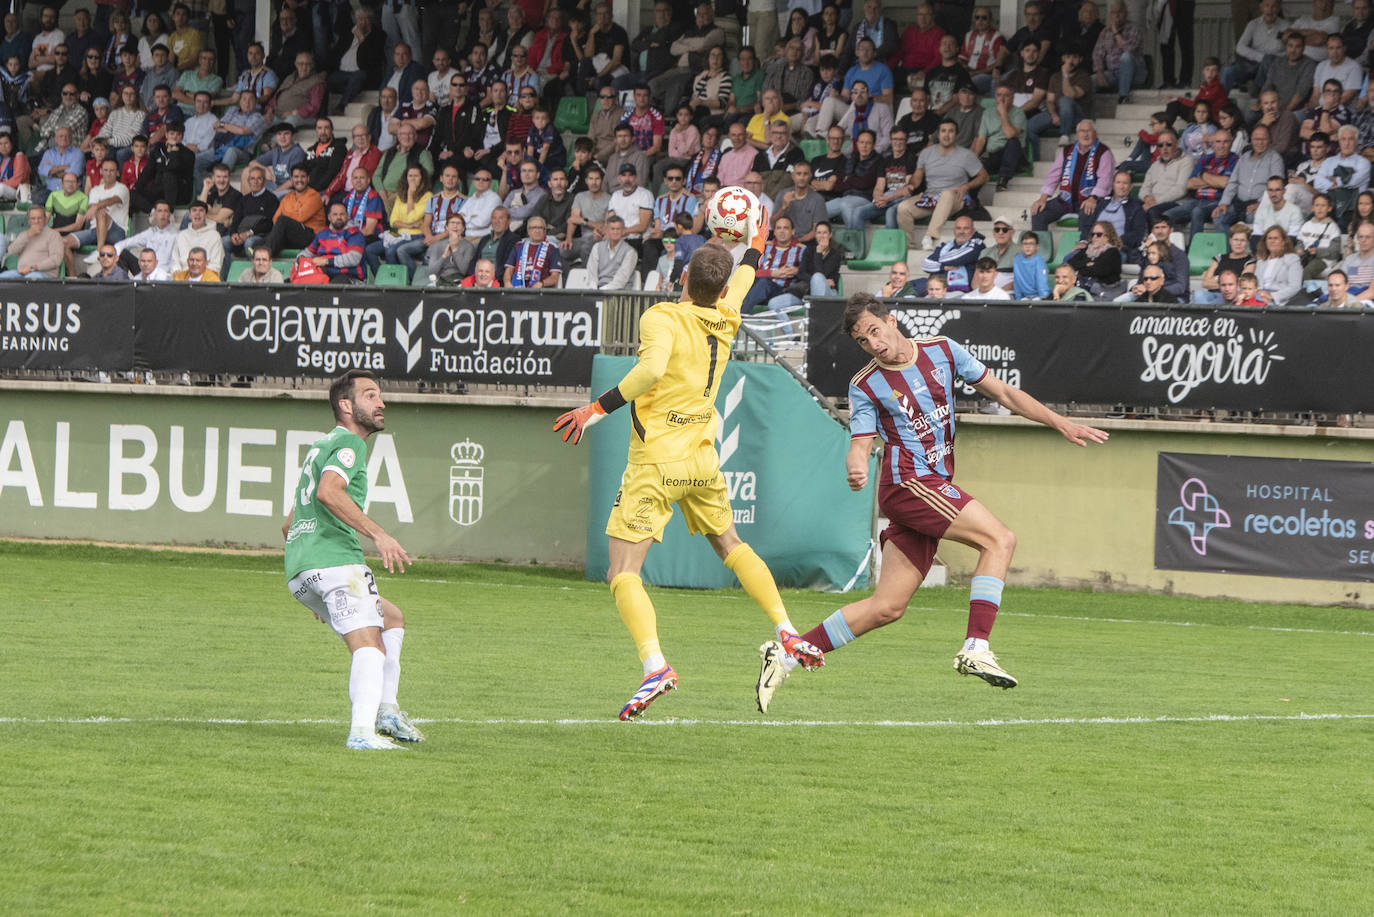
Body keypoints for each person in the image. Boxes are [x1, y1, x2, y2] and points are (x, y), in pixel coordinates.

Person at [757, 293, 1108, 711]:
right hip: (909, 484)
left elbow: (1005, 393)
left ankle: (787, 653)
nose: (874, 344)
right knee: (1000, 540)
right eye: (863, 341)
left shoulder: (943, 350)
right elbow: (861, 441)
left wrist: (1059, 422)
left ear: (891, 321)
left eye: (874, 330)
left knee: (887, 607)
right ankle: (976, 647)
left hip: (932, 485)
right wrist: (856, 467)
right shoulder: (866, 384)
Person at [553, 215, 826, 720]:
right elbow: (749, 267)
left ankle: (655, 665)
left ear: (681, 279)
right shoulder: (728, 312)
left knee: (622, 571)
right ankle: (786, 629)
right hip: (702, 459)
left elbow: (652, 369)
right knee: (732, 545)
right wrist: (754, 234)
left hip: (656, 461)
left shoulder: (661, 317)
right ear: (722, 288)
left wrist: (594, 410)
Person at [282, 370, 423, 751]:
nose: (381, 403)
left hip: (303, 569)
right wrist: (379, 534)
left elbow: (288, 523)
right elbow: (330, 492)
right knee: (369, 646)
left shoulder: (322, 445)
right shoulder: (350, 444)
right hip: (335, 561)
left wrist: (315, 582)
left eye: (380, 395)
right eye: (370, 395)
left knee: (391, 618)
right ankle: (362, 732)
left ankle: (387, 710)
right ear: (346, 406)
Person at [895, 118, 987, 250]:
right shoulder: (926, 153)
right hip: (931, 198)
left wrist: (966, 186)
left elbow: (984, 177)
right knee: (903, 208)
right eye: (943, 131)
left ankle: (930, 236)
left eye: (951, 131)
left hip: (955, 198)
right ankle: (909, 248)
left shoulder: (966, 155)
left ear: (956, 134)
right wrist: (911, 185)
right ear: (938, 134)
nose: (947, 134)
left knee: (947, 194)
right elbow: (917, 176)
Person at [1030, 119, 1114, 231]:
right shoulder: (1067, 150)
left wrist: (1093, 198)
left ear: (1095, 134)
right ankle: (1038, 247)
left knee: (1087, 213)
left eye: (1089, 131)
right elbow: (1054, 175)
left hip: (1091, 200)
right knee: (1038, 212)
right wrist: (1043, 198)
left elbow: (1105, 179)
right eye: (1082, 131)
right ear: (1077, 134)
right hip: (1065, 200)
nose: (1085, 134)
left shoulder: (1103, 152)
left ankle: (1082, 247)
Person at [306, 202, 367, 284]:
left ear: (347, 216)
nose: (339, 217)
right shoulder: (322, 234)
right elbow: (308, 252)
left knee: (333, 286)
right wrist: (300, 258)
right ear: (329, 217)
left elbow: (353, 259)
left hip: (349, 277)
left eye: (342, 214)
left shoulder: (355, 234)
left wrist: (326, 261)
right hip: (324, 273)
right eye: (335, 214)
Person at [0, 204, 62, 279]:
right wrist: (27, 235)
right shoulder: (24, 234)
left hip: (44, 273)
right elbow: (11, 251)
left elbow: (56, 259)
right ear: (29, 221)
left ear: (45, 219)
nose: (36, 221)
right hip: (22, 273)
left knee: (30, 279)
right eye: (33, 218)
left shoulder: (54, 235)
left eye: (39, 218)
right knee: (2, 277)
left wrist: (33, 268)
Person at [1014, 230, 1050, 299]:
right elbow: (1016, 280)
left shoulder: (1039, 261)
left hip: (1039, 296)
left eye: (1031, 243)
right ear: (1021, 246)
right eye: (1025, 243)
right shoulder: (1017, 260)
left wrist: (1043, 298)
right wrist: (1018, 298)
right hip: (1024, 297)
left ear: (1037, 246)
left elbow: (1041, 282)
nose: (1028, 246)